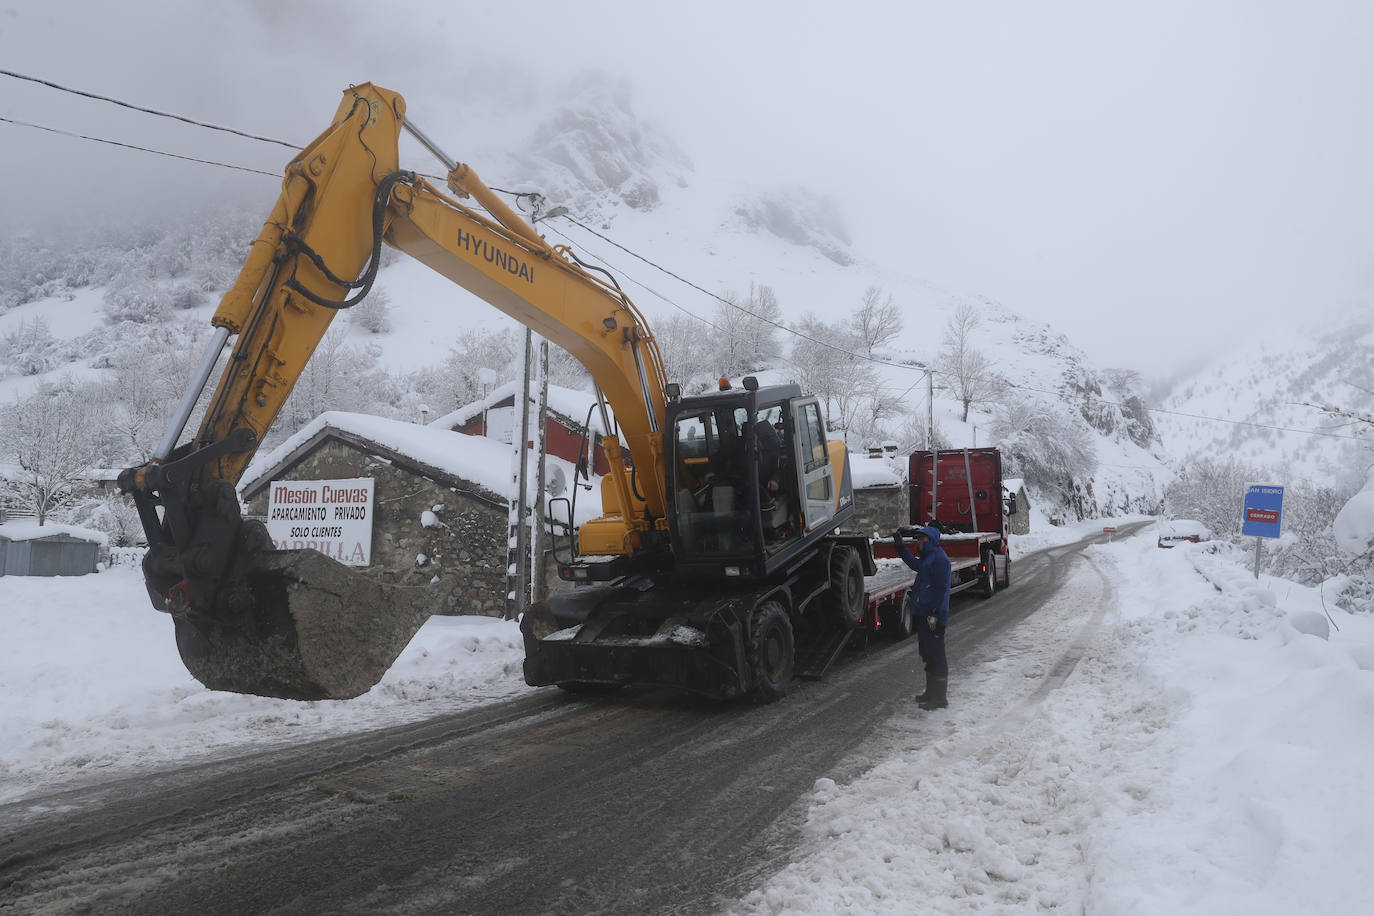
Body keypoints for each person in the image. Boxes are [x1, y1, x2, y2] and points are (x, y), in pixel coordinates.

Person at [893, 525, 952, 710]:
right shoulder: (928, 558)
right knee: (928, 653)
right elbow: (915, 564)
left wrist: (934, 614)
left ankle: (940, 698)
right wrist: (901, 548)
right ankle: (930, 692)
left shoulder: (939, 559)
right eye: (918, 539)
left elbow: (940, 589)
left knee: (936, 655)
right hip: (925, 613)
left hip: (933, 616)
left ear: (930, 540)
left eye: (921, 539)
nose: (918, 542)